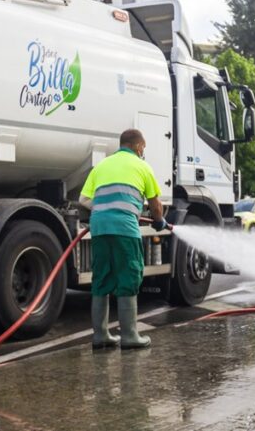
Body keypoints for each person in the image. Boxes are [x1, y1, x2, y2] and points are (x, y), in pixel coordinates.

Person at [79, 129, 169, 350]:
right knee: (129, 275)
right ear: (138, 147)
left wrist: (105, 209)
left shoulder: (101, 166)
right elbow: (155, 204)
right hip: (125, 229)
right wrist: (159, 221)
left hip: (99, 227)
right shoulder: (142, 166)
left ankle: (100, 336)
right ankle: (130, 336)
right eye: (143, 149)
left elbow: (83, 199)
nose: (143, 152)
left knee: (101, 279)